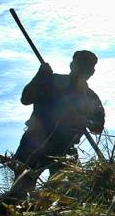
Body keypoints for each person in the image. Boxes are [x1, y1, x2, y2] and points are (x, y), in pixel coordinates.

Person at [9, 50, 105, 198]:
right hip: (35, 142)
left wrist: (86, 121)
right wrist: (39, 76)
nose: (84, 69)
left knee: (66, 194)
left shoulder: (91, 98)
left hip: (64, 149)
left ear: (92, 71)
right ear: (72, 65)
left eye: (88, 67)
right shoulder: (50, 81)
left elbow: (99, 126)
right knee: (20, 190)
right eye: (81, 64)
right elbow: (25, 99)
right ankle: (15, 214)